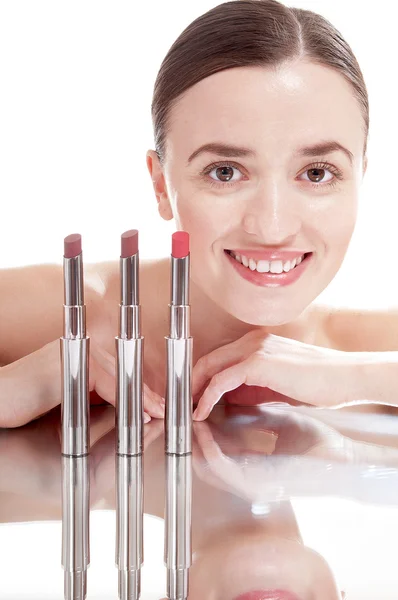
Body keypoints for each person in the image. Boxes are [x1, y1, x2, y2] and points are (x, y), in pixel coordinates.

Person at [1, 0, 397, 427]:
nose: (272, 226)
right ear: (161, 185)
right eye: (225, 172)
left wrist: (355, 377)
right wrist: (29, 382)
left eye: (317, 173)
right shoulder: (68, 307)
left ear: (359, 178)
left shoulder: (354, 346)